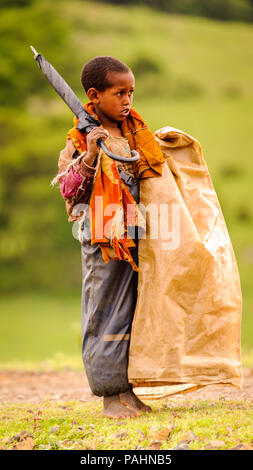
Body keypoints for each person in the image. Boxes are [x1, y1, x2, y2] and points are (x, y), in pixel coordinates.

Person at [54, 56, 165, 418]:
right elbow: (70, 191)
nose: (128, 100)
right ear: (94, 95)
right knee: (105, 313)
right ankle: (109, 396)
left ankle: (127, 392)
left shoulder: (133, 133)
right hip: (103, 238)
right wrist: (89, 155)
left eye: (132, 92)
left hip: (134, 234)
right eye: (120, 93)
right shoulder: (80, 138)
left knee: (132, 311)